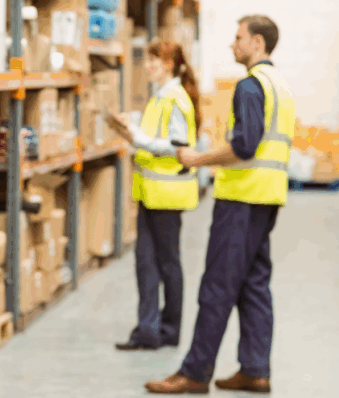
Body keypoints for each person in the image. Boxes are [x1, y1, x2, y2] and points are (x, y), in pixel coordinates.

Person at [144, 15, 293, 394]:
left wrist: (197, 159)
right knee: (254, 285)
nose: (232, 44)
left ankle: (194, 373)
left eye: (239, 37)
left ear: (257, 43)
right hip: (266, 197)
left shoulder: (250, 86)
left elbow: (244, 146)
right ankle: (256, 370)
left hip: (241, 199)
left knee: (217, 287)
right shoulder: (280, 85)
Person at [112, 40, 201, 351]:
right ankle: (147, 331)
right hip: (151, 192)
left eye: (155, 60)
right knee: (145, 263)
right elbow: (156, 135)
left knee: (167, 264)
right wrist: (131, 127)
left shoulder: (175, 98)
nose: (148, 65)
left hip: (168, 193)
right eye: (148, 60)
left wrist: (137, 137)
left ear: (171, 65)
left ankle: (170, 330)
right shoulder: (159, 97)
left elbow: (177, 145)